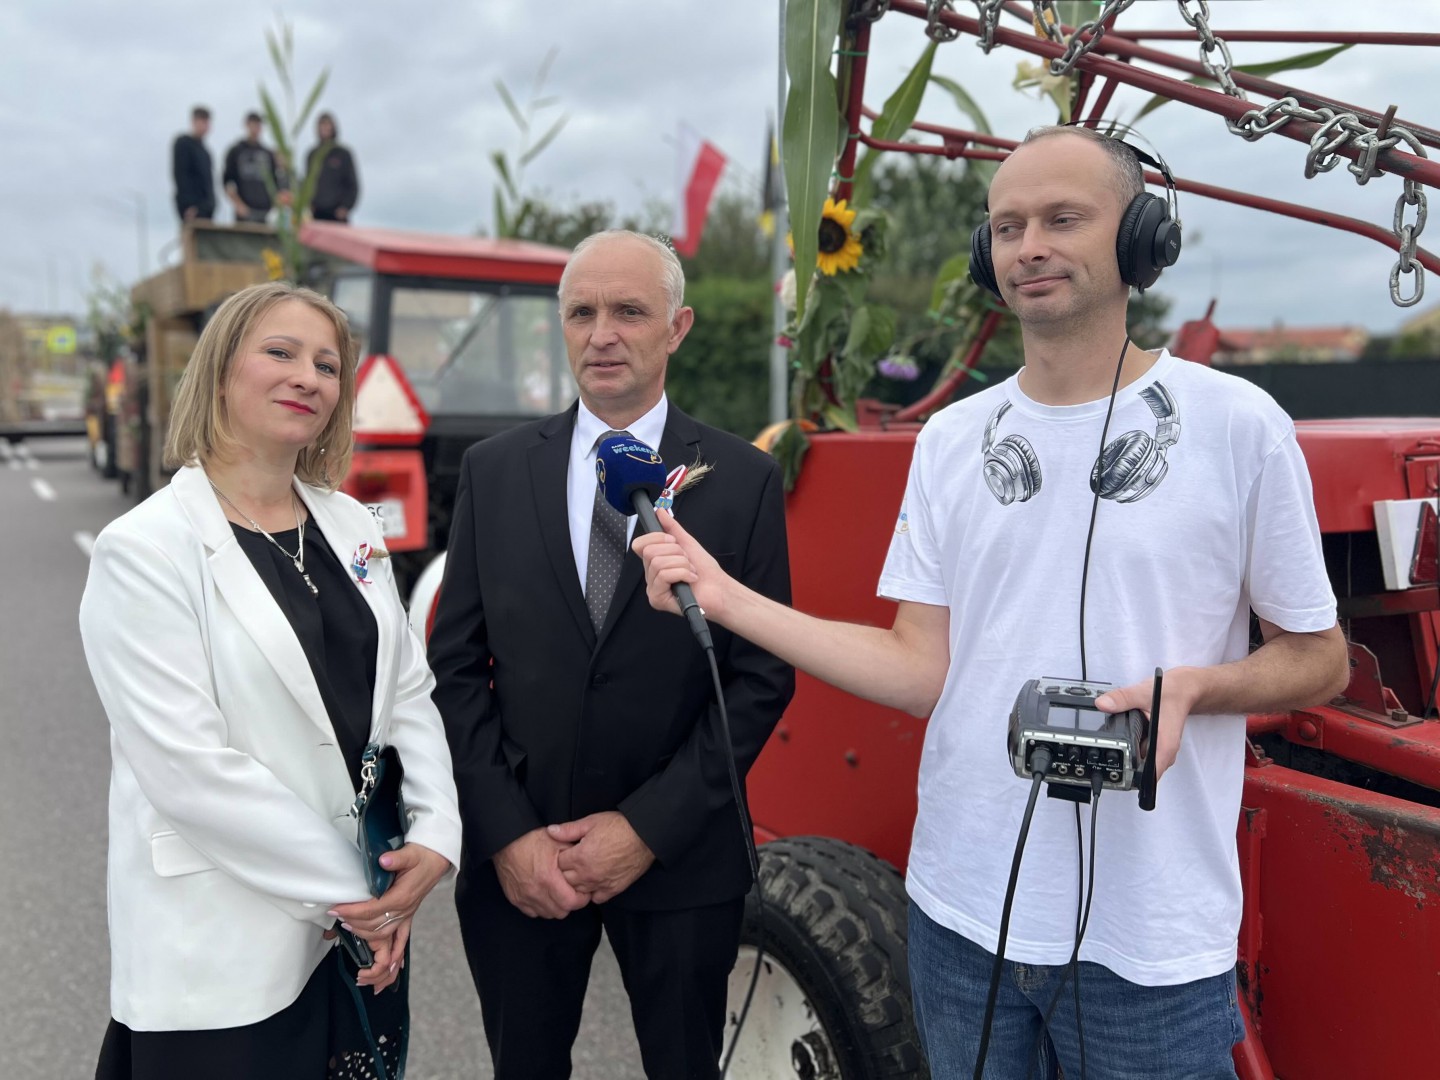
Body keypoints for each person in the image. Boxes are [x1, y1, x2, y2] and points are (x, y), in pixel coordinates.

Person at [636, 127, 1349, 1080]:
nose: (1030, 246)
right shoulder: (953, 441)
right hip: (961, 918)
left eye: (1064, 219)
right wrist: (724, 597)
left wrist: (1197, 687)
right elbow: (918, 668)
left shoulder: (1239, 426)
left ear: (1141, 240)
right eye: (1007, 227)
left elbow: (1320, 657)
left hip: (1149, 940)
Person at [427, 229, 795, 1079]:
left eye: (629, 311)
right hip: (524, 858)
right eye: (581, 312)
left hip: (678, 859)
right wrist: (507, 834)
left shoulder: (740, 480)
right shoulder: (493, 470)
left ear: (678, 326)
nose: (602, 333)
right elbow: (453, 666)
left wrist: (645, 829)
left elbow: (759, 675)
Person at [80, 280, 463, 1079]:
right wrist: (358, 896)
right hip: (226, 944)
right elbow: (189, 769)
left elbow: (406, 690)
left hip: (356, 929)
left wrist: (435, 834)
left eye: (327, 365)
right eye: (280, 353)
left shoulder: (353, 523)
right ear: (221, 372)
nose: (308, 377)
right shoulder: (144, 549)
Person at [223, 112, 285, 224]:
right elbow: (227, 183)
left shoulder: (268, 154)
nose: (255, 129)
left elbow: (278, 183)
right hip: (245, 213)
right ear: (246, 125)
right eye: (253, 125)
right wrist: (238, 205)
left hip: (267, 213)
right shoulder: (236, 151)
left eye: (258, 125)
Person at [306, 112, 360, 223]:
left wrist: (346, 207)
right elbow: (307, 183)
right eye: (321, 125)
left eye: (327, 125)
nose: (324, 128)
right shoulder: (312, 154)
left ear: (333, 127)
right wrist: (308, 204)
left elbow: (352, 184)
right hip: (316, 214)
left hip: (337, 215)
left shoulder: (343, 154)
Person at [171, 105, 215, 223]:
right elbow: (181, 175)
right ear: (194, 122)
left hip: (207, 209)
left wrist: (211, 204)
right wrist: (188, 205)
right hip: (191, 209)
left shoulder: (205, 152)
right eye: (202, 121)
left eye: (207, 122)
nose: (205, 126)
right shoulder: (183, 144)